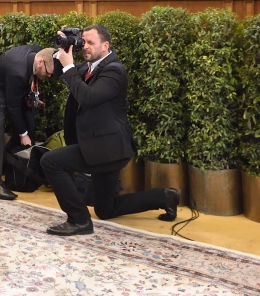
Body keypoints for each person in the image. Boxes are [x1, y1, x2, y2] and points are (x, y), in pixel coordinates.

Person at [41, 25, 180, 236]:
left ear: (105, 46)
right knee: (106, 209)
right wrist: (62, 45)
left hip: (108, 149)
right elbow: (61, 72)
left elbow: (87, 97)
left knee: (50, 161)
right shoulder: (87, 67)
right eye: (83, 42)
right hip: (98, 146)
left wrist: (69, 68)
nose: (85, 47)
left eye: (90, 43)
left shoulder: (114, 70)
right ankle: (164, 197)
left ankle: (78, 220)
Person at [0, 45, 56, 201]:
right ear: (40, 62)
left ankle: (7, 165)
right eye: (48, 73)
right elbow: (13, 107)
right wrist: (23, 134)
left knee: (29, 122)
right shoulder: (17, 71)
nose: (48, 76)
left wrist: (32, 96)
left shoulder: (39, 53)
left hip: (8, 89)